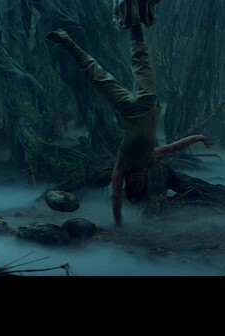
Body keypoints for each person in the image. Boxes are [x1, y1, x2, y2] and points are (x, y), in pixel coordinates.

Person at [47, 24, 212, 225]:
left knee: (95, 73)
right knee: (141, 60)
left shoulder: (122, 166)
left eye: (133, 184)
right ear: (145, 181)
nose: (137, 181)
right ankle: (135, 27)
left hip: (126, 108)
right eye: (140, 184)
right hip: (147, 103)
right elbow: (175, 147)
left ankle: (65, 39)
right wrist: (199, 138)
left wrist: (118, 223)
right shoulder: (151, 160)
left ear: (127, 181)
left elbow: (116, 197)